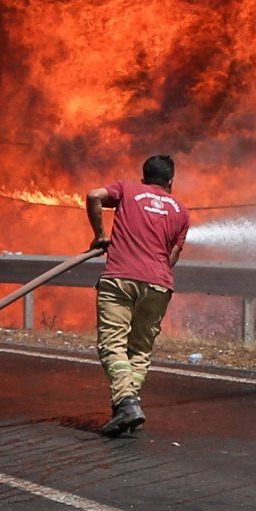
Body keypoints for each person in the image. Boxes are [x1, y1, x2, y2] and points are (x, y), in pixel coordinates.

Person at [86, 154, 189, 437]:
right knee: (140, 349)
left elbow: (94, 195)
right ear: (170, 181)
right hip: (158, 285)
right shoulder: (181, 210)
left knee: (112, 344)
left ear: (144, 177)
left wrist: (100, 235)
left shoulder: (128, 189)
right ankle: (127, 407)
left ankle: (126, 403)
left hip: (120, 278)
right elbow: (172, 257)